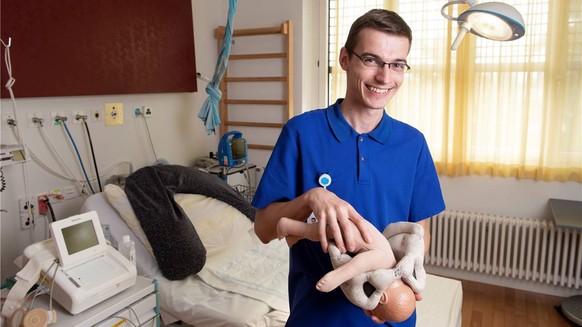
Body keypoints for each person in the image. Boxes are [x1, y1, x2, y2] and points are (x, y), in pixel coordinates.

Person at [252, 8, 445, 326]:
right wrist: (310, 198)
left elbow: (420, 234)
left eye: (396, 64)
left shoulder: (413, 144)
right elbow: (263, 229)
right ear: (345, 59)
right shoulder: (301, 133)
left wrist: (395, 283)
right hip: (317, 317)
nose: (385, 77)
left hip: (392, 315)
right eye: (371, 60)